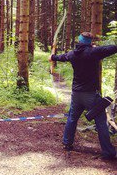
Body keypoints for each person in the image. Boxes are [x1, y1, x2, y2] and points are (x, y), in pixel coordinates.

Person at [49, 32, 117, 160]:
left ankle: (67, 143)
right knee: (101, 123)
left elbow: (61, 57)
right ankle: (108, 152)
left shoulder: (72, 54)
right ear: (90, 42)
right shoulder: (94, 52)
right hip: (91, 95)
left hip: (76, 94)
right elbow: (112, 48)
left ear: (79, 41)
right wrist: (95, 49)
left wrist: (52, 57)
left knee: (72, 118)